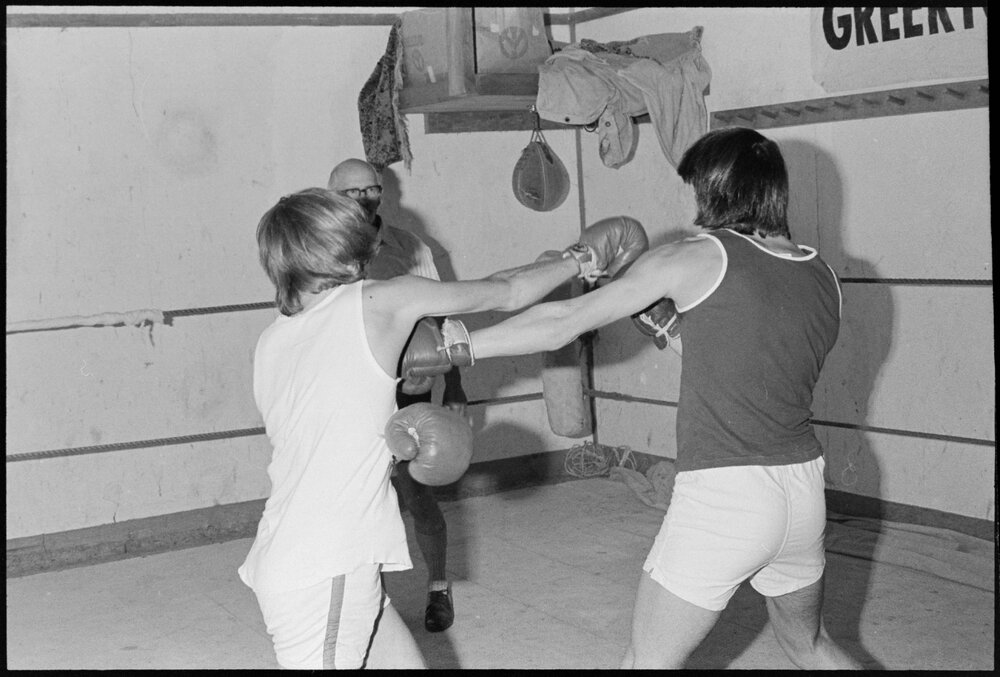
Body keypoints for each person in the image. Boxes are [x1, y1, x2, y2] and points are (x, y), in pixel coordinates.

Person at [444, 127, 864, 669]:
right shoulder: (822, 274)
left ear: (713, 187)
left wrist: (462, 345)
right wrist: (669, 326)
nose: (686, 201)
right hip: (802, 491)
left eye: (690, 186)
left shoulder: (698, 256)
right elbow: (747, 362)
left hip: (726, 493)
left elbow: (564, 321)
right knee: (810, 645)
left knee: (648, 661)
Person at [238, 186, 647, 669]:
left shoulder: (272, 341)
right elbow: (507, 290)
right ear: (343, 247)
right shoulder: (379, 301)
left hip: (300, 550)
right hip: (326, 567)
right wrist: (580, 259)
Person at [327, 157, 465, 633]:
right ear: (330, 196)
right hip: (347, 395)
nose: (363, 199)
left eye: (371, 189)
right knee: (358, 500)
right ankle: (369, 601)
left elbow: (444, 320)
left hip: (407, 390)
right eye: (350, 192)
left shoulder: (410, 247)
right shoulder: (316, 251)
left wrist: (456, 387)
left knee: (416, 494)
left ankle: (439, 586)